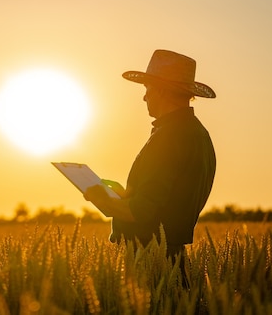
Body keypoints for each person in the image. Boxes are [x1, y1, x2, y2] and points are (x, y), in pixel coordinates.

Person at [84, 49, 216, 285]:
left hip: (150, 265)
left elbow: (141, 211)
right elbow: (165, 198)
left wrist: (102, 199)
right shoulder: (198, 134)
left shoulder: (170, 137)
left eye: (148, 90)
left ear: (162, 90)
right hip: (173, 261)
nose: (144, 98)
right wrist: (124, 194)